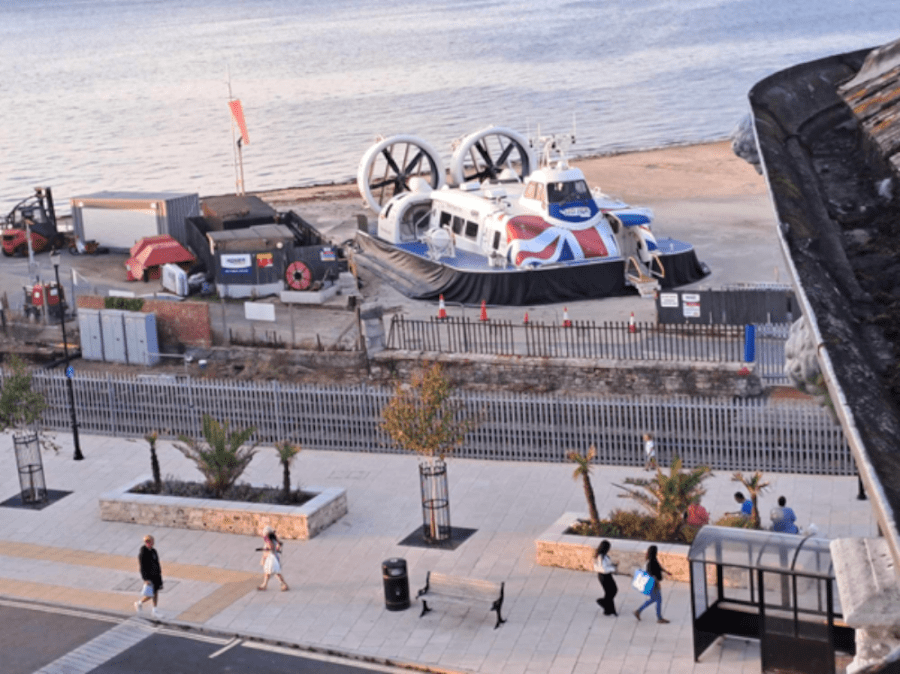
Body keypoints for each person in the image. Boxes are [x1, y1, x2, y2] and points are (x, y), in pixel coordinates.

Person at [634, 545, 671, 624]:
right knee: (658, 600)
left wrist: (666, 571)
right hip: (654, 584)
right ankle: (659, 618)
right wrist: (657, 583)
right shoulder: (651, 562)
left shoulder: (653, 560)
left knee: (654, 599)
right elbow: (652, 575)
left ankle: (638, 611)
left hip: (654, 583)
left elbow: (659, 567)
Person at [135, 534, 163, 618]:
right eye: (149, 541)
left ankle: (154, 610)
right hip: (149, 576)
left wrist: (159, 572)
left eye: (152, 541)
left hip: (156, 575)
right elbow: (142, 567)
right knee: (150, 594)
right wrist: (145, 579)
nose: (152, 543)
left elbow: (157, 562)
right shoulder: (143, 553)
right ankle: (139, 603)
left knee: (156, 592)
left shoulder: (154, 551)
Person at [258, 525, 289, 591]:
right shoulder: (274, 538)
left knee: (275, 572)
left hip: (271, 559)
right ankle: (265, 585)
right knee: (268, 572)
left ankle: (283, 584)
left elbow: (270, 548)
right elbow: (278, 547)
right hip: (274, 557)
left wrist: (264, 557)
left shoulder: (269, 541)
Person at [593, 540, 618, 616]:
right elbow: (603, 569)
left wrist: (613, 565)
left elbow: (606, 565)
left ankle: (608, 610)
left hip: (607, 575)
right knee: (612, 591)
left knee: (610, 592)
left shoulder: (603, 556)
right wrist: (613, 568)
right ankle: (603, 602)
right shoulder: (601, 557)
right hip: (604, 576)